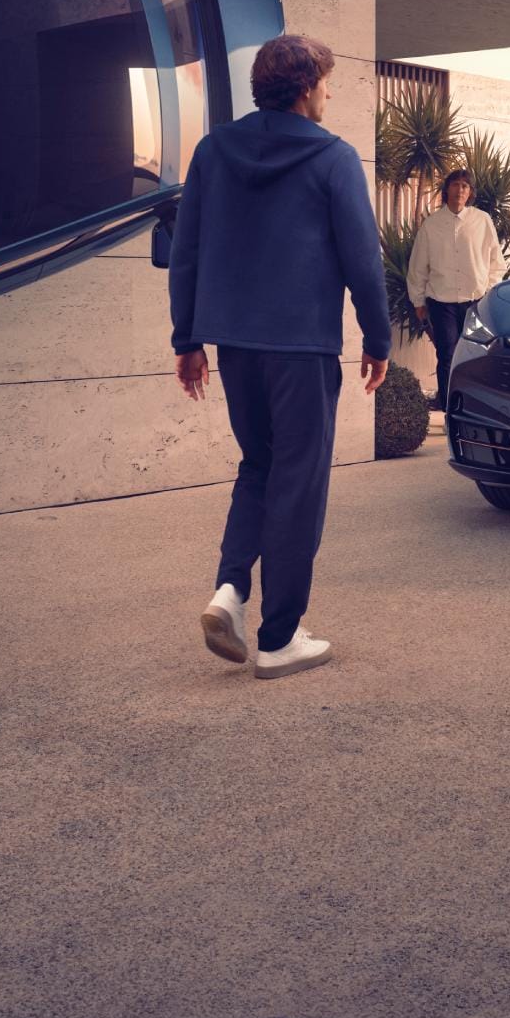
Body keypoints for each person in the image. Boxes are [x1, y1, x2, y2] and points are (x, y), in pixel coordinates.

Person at [166, 34, 390, 681]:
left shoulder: (213, 152)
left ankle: (230, 590)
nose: (329, 91)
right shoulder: (333, 157)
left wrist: (188, 340)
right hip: (301, 347)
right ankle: (280, 637)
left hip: (235, 345)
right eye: (325, 81)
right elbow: (363, 263)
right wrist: (378, 341)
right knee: (300, 482)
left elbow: (188, 254)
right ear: (304, 88)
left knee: (259, 466)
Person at [402, 169, 504, 410]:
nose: (460, 190)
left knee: (477, 354)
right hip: (442, 302)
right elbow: (418, 266)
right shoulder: (432, 225)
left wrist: (488, 292)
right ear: (446, 189)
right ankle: (450, 411)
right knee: (447, 355)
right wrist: (418, 301)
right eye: (456, 185)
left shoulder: (482, 221)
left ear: (470, 193)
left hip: (476, 302)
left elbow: (496, 261)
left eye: (465, 186)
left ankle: (475, 407)